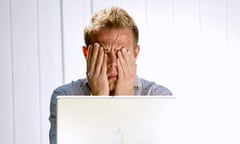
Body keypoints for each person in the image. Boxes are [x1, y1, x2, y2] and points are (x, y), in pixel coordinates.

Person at [49, 6, 172, 144]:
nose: (112, 62)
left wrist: (122, 100)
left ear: (135, 53)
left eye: (121, 52)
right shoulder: (65, 97)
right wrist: (99, 99)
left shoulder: (158, 97)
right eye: (104, 52)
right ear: (87, 54)